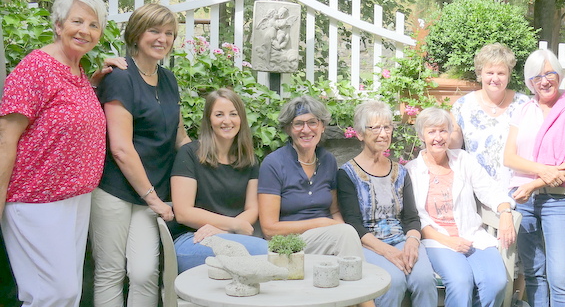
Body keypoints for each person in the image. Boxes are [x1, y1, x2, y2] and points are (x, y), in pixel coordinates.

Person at [0, 0, 117, 306]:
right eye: (77, 21)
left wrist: (95, 81)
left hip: (74, 200)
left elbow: (65, 115)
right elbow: (5, 138)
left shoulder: (76, 71)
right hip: (36, 200)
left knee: (63, 294)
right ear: (58, 24)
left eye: (94, 25)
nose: (85, 30)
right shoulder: (35, 69)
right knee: (54, 293)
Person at [90, 3, 191, 307]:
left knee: (146, 271)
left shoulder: (169, 79)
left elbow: (179, 135)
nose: (163, 38)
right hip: (116, 190)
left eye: (169, 33)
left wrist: (208, 160)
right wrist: (153, 199)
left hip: (154, 189)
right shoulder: (121, 76)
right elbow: (120, 148)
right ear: (136, 33)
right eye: (155, 31)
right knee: (110, 271)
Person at [258, 95, 375, 307]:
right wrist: (325, 225)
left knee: (346, 238)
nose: (306, 130)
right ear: (288, 129)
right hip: (289, 244)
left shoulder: (328, 160)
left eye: (312, 122)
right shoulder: (273, 164)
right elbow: (269, 229)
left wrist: (338, 228)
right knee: (346, 234)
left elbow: (334, 211)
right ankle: (367, 303)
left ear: (322, 127)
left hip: (327, 239)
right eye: (298, 124)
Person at [504, 49, 565, 307]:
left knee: (559, 276)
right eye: (536, 77)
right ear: (530, 82)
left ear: (560, 75)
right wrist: (543, 171)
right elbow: (509, 157)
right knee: (533, 273)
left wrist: (534, 182)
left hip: (559, 200)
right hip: (524, 201)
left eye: (549, 74)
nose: (544, 81)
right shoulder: (523, 110)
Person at [406, 107, 516, 307]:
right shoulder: (411, 171)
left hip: (472, 235)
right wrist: (450, 242)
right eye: (432, 131)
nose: (438, 137)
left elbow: (489, 190)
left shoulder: (463, 160)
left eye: (443, 131)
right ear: (422, 135)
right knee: (461, 281)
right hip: (438, 240)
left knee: (496, 282)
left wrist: (506, 211)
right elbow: (415, 218)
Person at [337, 100, 438, 307]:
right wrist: (386, 251)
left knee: (425, 279)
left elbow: (411, 218)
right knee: (393, 281)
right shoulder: (346, 174)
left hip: (401, 240)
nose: (383, 134)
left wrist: (411, 242)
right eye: (375, 128)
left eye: (387, 127)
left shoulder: (401, 172)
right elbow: (353, 224)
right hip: (368, 245)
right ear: (360, 134)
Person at [171, 88, 268, 273]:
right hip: (193, 239)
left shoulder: (250, 160)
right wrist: (233, 225)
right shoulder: (190, 154)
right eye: (219, 114)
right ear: (209, 120)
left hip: (233, 237)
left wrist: (225, 231)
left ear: (241, 119)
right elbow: (183, 212)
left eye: (233, 114)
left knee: (264, 253)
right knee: (264, 252)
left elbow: (252, 209)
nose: (227, 121)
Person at [450, 43, 529, 189]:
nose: (495, 78)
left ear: (508, 75)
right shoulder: (463, 106)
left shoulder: (524, 104)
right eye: (490, 73)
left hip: (518, 189)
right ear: (480, 73)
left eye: (501, 73)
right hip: (476, 189)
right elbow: (453, 148)